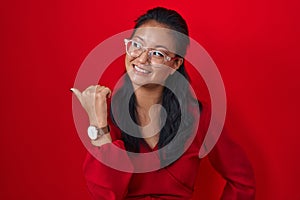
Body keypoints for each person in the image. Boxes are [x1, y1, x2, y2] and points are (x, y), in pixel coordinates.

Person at [71, 7, 255, 199]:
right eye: (136, 45)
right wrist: (98, 124)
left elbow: (243, 182)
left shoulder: (198, 115)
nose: (142, 59)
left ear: (175, 64)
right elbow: (104, 194)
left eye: (157, 54)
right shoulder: (106, 112)